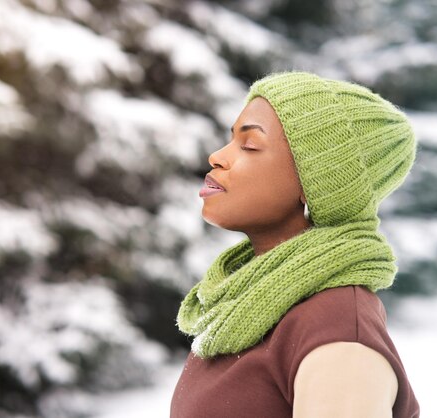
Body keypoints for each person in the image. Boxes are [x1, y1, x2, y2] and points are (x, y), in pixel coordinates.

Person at [170, 71, 420, 417]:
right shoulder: (242, 307)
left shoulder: (338, 331)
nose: (218, 156)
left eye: (250, 145)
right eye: (230, 140)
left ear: (314, 187)